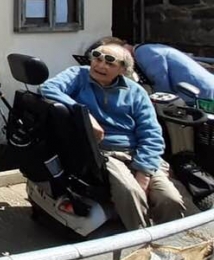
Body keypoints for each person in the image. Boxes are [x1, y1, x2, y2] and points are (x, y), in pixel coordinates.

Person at [40, 43, 185, 230]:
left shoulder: (136, 92)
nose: (100, 65)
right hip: (103, 152)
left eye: (109, 62)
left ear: (122, 70)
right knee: (131, 192)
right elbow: (48, 88)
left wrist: (143, 171)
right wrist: (85, 115)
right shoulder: (78, 75)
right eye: (97, 57)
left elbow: (151, 134)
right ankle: (141, 243)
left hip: (135, 151)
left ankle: (167, 245)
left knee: (169, 199)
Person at [123, 43, 214, 102]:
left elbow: (160, 78)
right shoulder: (147, 49)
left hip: (197, 91)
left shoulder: (142, 51)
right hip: (201, 87)